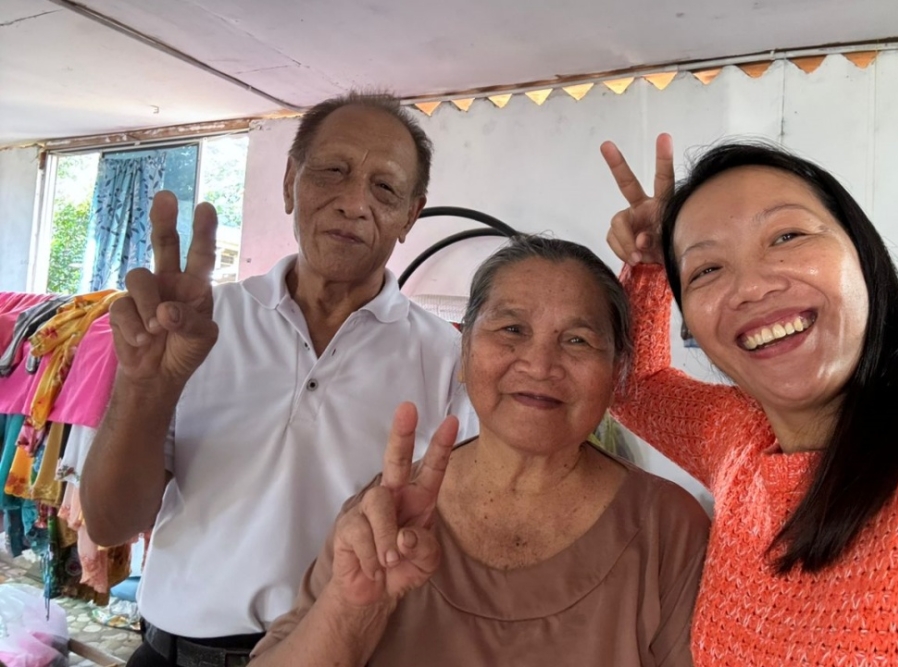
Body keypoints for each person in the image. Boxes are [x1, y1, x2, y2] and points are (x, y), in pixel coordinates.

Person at [80, 93, 477, 667]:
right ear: (291, 179)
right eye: (332, 172)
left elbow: (452, 551)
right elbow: (111, 522)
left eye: (384, 189)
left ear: (411, 215)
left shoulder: (446, 361)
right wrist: (146, 386)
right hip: (174, 655)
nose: (353, 204)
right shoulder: (196, 326)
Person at [601, 135, 898, 665]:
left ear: (862, 254)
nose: (752, 287)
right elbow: (633, 384)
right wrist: (650, 264)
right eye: (706, 269)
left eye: (786, 235)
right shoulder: (737, 443)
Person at [248, 236, 710, 667]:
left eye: (577, 340)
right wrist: (350, 609)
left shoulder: (668, 529)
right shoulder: (390, 511)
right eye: (512, 328)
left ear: (616, 371)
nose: (539, 364)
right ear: (465, 350)